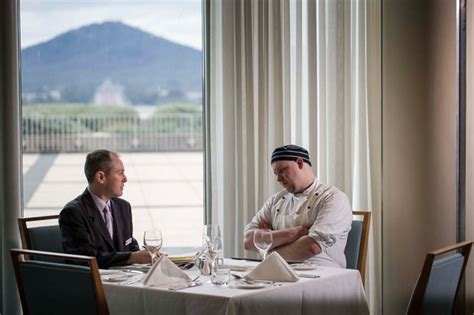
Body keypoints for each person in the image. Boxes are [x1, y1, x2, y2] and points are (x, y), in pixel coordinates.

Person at [244, 144, 352, 268]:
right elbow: (248, 241)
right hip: (277, 272)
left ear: (300, 163)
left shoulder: (333, 198)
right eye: (275, 173)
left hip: (322, 273)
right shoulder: (276, 200)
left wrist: (270, 247)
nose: (278, 178)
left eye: (282, 170)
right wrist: (293, 233)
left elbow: (311, 247)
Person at [59, 149, 152, 269]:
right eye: (120, 173)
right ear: (101, 177)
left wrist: (145, 254)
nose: (125, 179)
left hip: (123, 280)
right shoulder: (73, 213)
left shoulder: (123, 207)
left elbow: (130, 247)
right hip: (91, 284)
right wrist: (132, 257)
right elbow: (86, 257)